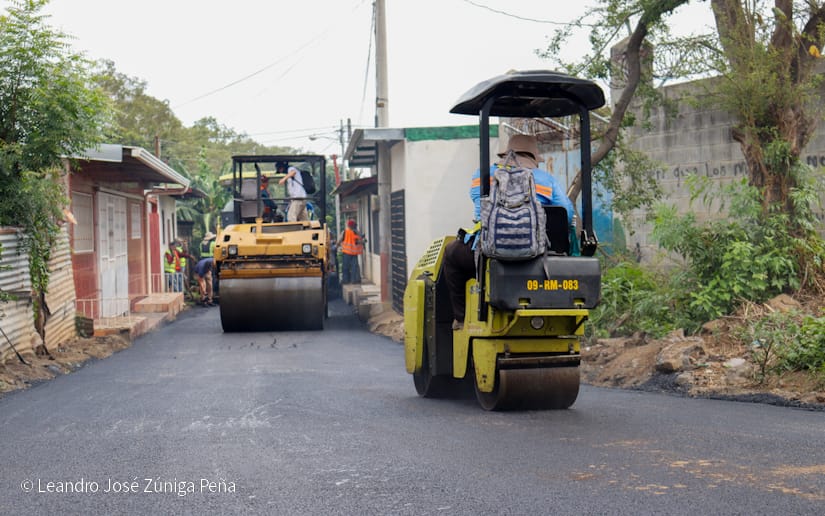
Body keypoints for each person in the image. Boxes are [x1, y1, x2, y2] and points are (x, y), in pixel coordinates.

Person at [443, 134, 575, 330]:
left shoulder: (482, 175)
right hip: (536, 253)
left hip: (490, 252)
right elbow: (566, 212)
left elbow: (479, 210)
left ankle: (461, 318)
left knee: (451, 254)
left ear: (506, 154)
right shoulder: (547, 180)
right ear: (532, 157)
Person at [337, 219, 365, 284]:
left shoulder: (344, 232)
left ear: (348, 225)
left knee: (345, 267)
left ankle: (345, 280)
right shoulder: (357, 232)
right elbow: (360, 241)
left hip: (346, 253)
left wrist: (337, 246)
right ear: (354, 225)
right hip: (354, 253)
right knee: (355, 267)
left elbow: (339, 240)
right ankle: (355, 280)